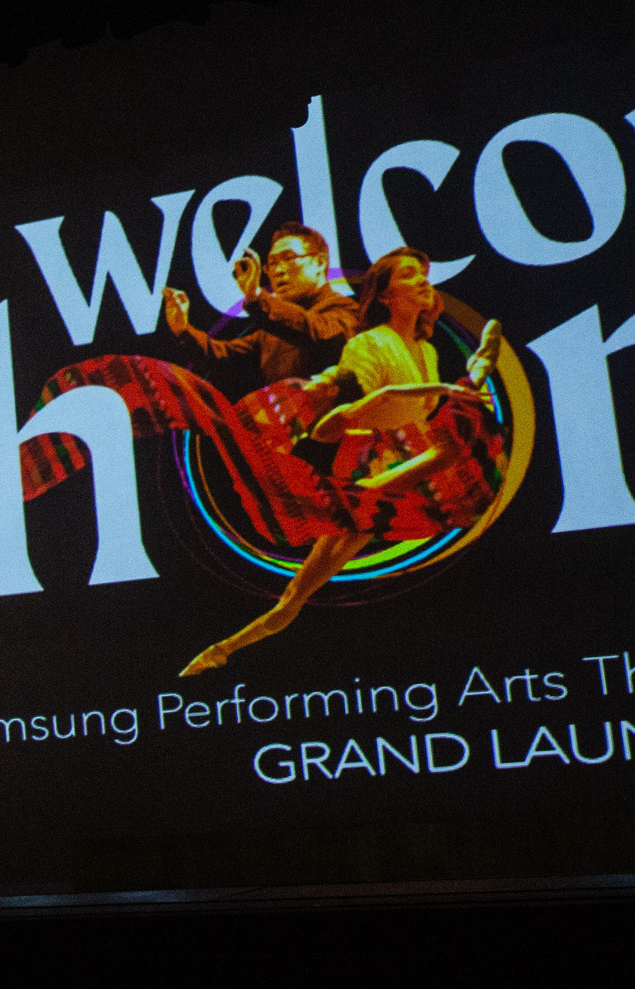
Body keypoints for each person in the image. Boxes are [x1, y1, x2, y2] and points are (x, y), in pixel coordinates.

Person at [179, 249, 503, 674]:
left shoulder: (427, 351)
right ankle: (220, 651)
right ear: (384, 295)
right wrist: (333, 391)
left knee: (455, 440)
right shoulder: (368, 343)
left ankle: (476, 372)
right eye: (409, 275)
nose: (423, 281)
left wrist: (446, 396)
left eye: (424, 274)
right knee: (297, 592)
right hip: (372, 467)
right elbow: (351, 408)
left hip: (411, 462)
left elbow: (420, 417)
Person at [159, 222, 360, 393]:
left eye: (289, 258)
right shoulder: (269, 332)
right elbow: (221, 356)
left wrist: (257, 296)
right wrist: (182, 330)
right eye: (272, 264)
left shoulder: (345, 309)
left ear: (320, 262)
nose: (278, 270)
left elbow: (315, 330)